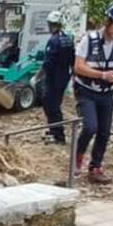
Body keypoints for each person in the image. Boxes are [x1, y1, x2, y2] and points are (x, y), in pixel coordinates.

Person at [73, 2, 113, 184]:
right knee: (90, 126)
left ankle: (95, 167)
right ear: (108, 22)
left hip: (107, 92)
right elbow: (78, 67)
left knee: (104, 131)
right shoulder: (88, 40)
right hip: (86, 90)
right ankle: (77, 156)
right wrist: (102, 74)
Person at [32, 10, 75, 145]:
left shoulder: (54, 41)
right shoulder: (67, 39)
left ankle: (58, 135)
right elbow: (72, 60)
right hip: (63, 78)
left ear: (51, 24)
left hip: (53, 78)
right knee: (54, 104)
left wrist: (37, 77)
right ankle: (54, 130)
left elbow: (48, 63)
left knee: (51, 105)